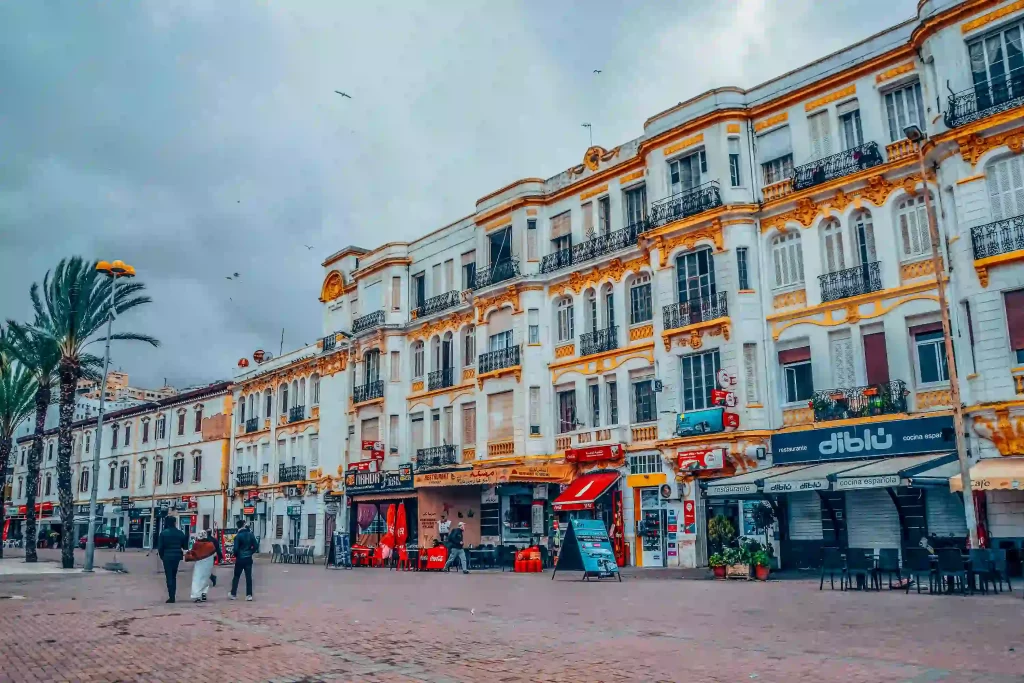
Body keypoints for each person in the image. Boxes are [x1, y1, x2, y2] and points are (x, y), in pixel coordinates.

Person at [155, 517, 187, 603]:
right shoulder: (180, 533)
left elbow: (160, 547)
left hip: (167, 557)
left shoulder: (163, 533)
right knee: (174, 575)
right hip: (177, 557)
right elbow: (185, 546)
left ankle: (171, 596)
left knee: (169, 576)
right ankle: (173, 595)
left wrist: (162, 556)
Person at [184, 530, 219, 602]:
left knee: (197, 578)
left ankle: (197, 595)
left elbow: (193, 553)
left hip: (200, 563)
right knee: (205, 579)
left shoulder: (197, 544)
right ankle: (204, 593)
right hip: (208, 563)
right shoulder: (210, 544)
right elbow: (214, 554)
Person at [230, 521, 258, 601]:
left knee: (236, 576)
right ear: (244, 525)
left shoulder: (237, 536)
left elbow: (235, 549)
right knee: (248, 577)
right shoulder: (250, 535)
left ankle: (233, 593)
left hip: (240, 559)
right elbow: (256, 546)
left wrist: (236, 555)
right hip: (248, 558)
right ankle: (249, 595)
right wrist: (250, 552)